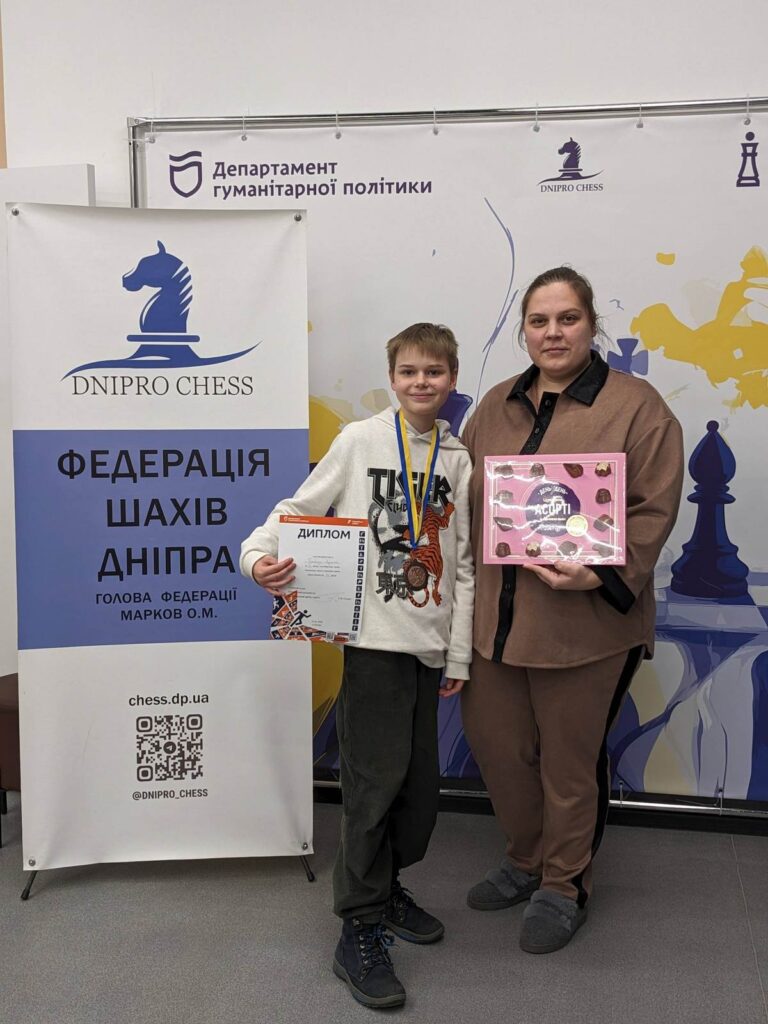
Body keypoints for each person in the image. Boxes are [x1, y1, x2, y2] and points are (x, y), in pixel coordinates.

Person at [240, 323, 474, 1008]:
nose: (421, 382)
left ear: (452, 379)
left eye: (434, 371)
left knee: (417, 796)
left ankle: (388, 887)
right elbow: (294, 510)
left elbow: (462, 567)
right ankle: (359, 928)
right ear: (392, 377)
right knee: (372, 792)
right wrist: (256, 559)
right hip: (371, 648)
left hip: (428, 651)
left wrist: (458, 653)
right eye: (409, 371)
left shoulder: (460, 460)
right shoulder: (359, 440)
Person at [460, 266, 684, 953]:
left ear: (591, 325)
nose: (552, 333)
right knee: (500, 752)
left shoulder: (637, 407)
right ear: (524, 331)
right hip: (495, 624)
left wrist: (600, 571)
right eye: (539, 321)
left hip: (585, 628)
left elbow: (653, 509)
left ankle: (564, 884)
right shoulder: (495, 405)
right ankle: (526, 857)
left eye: (567, 319)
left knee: (568, 765)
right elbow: (462, 497)